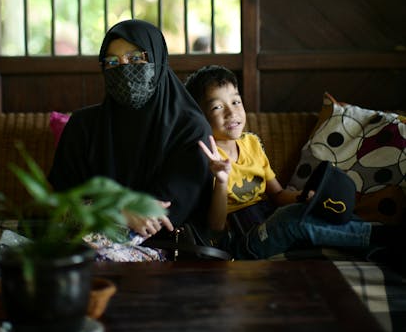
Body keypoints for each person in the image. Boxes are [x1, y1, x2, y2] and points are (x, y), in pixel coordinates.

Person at [184, 64, 403, 261]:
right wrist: (221, 180)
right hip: (240, 243)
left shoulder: (251, 143)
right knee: (289, 220)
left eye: (235, 101)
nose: (232, 112)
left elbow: (278, 195)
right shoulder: (206, 159)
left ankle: (379, 249)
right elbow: (215, 227)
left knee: (318, 210)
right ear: (199, 116)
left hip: (270, 222)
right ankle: (386, 236)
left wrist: (303, 199)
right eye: (217, 107)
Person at [49, 19, 214, 241]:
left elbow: (161, 216)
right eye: (112, 62)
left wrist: (98, 210)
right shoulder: (83, 126)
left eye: (135, 58)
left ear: (158, 59)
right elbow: (60, 204)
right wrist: (119, 212)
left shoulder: (189, 128)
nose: (124, 68)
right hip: (84, 248)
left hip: (167, 252)